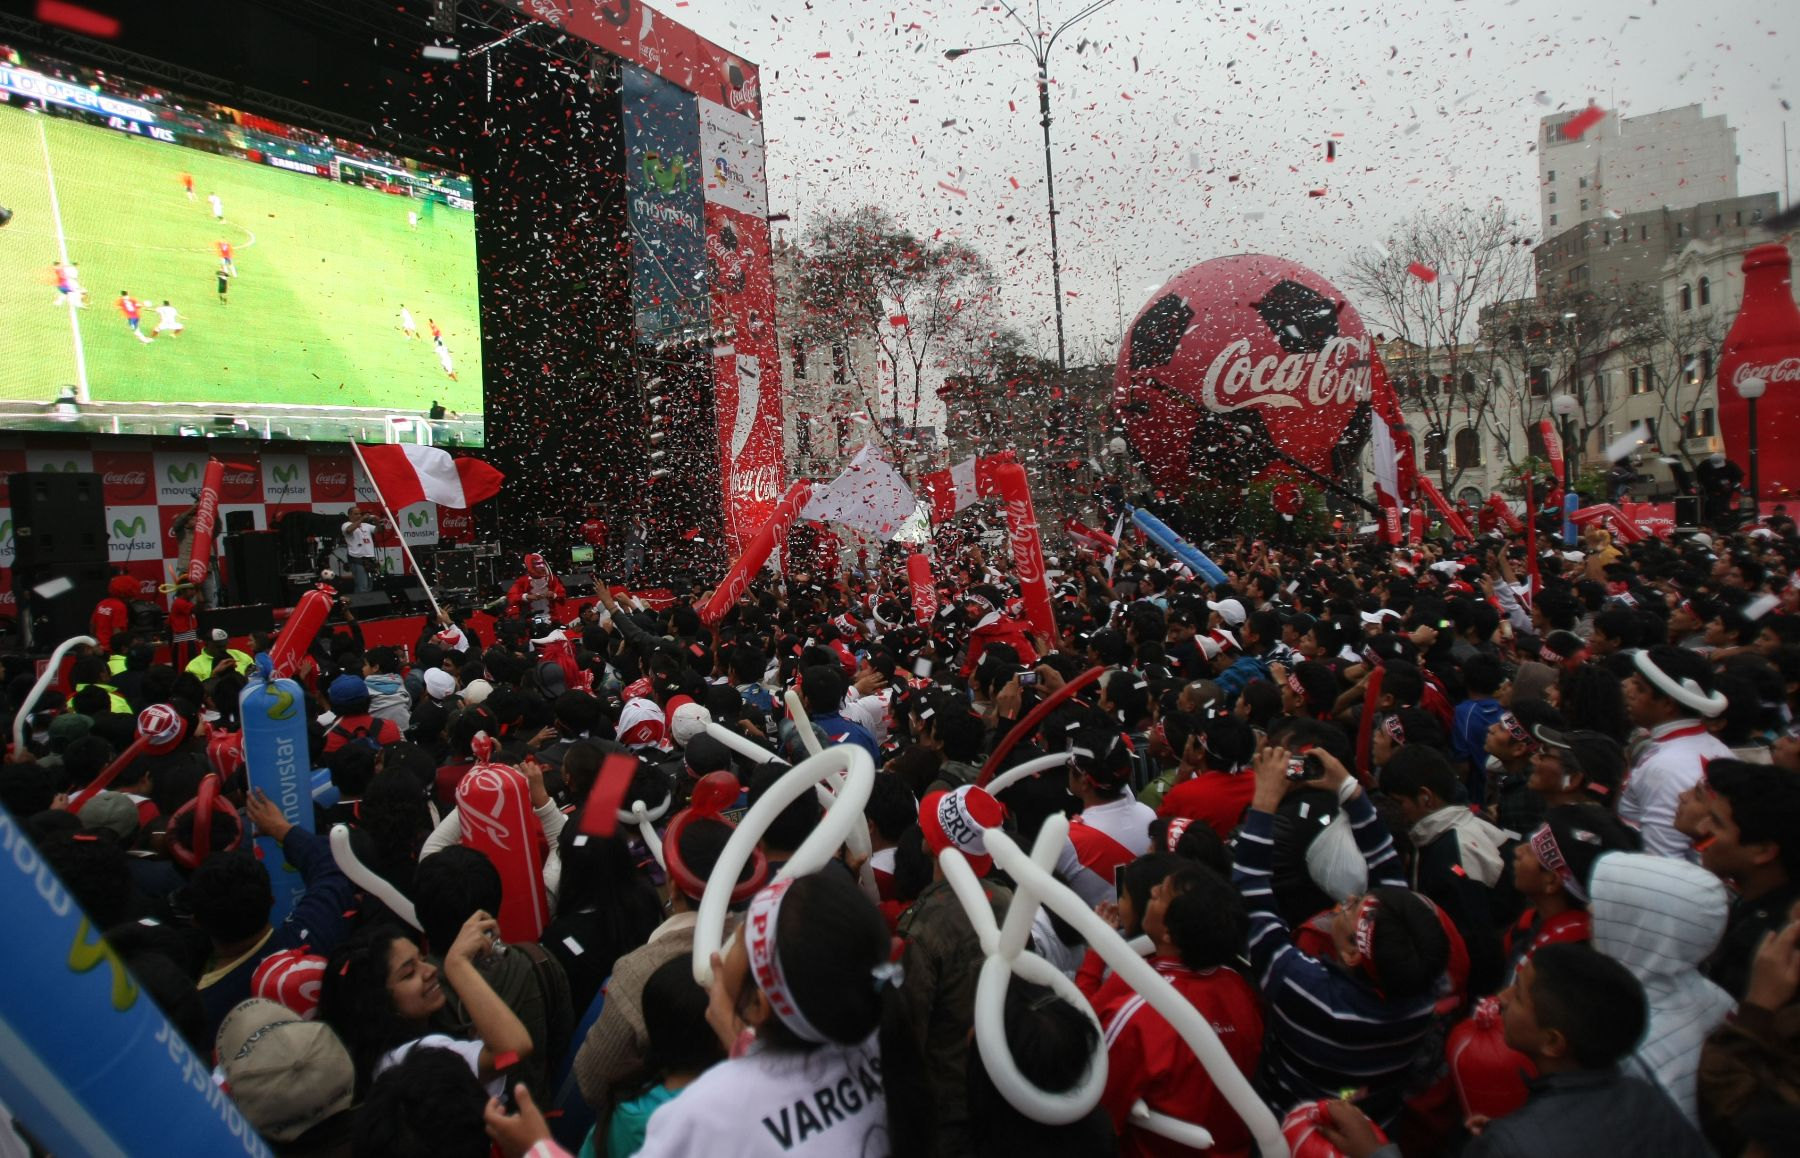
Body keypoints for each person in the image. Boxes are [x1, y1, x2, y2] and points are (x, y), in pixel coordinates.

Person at [634, 870, 926, 1157]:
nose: (734, 933)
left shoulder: (705, 1113)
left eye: (740, 938)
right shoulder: (881, 1035)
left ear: (758, 1006)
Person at [1233, 743, 1449, 1127]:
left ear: (1351, 952)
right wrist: (1348, 789)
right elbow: (1385, 863)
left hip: (1293, 1127)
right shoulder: (1420, 992)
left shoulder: (1304, 989)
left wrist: (1264, 799)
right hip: (1375, 1124)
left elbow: (1251, 891)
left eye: (1352, 909)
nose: (1348, 899)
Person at [1089, 863, 1263, 1157]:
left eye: (1161, 895)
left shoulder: (1141, 1013)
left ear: (1170, 933)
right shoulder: (1242, 989)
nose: (1152, 890)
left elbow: (1098, 1111)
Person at [190, 788, 357, 1035]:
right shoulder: (313, 935)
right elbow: (333, 868)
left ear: (197, 923)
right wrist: (281, 829)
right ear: (271, 900)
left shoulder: (200, 1011)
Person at [319, 911, 536, 1098]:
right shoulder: (421, 1058)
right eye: (409, 973)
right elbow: (512, 1052)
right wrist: (457, 964)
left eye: (422, 959)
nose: (430, 970)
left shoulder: (379, 1058)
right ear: (377, 1003)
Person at [1589, 850, 1734, 1124]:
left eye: (1611, 905)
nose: (1590, 910)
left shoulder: (1626, 1043)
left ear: (1640, 924)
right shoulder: (1717, 998)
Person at [1693, 760, 1800, 1000]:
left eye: (1716, 823)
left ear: (1762, 851)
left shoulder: (1766, 949)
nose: (1701, 829)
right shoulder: (1757, 903)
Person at [1619, 647, 1732, 858]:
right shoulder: (1717, 747)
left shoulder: (1664, 767)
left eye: (1639, 687)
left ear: (1667, 704)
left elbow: (1663, 860)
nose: (1628, 691)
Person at [342, 507, 382, 595]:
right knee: (362, 585)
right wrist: (362, 519)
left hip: (369, 558)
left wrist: (376, 521)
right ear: (349, 515)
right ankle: (360, 606)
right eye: (356, 514)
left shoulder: (366, 525)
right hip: (357, 559)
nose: (359, 515)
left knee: (369, 585)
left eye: (360, 514)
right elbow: (349, 530)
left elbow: (378, 530)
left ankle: (362, 605)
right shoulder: (346, 524)